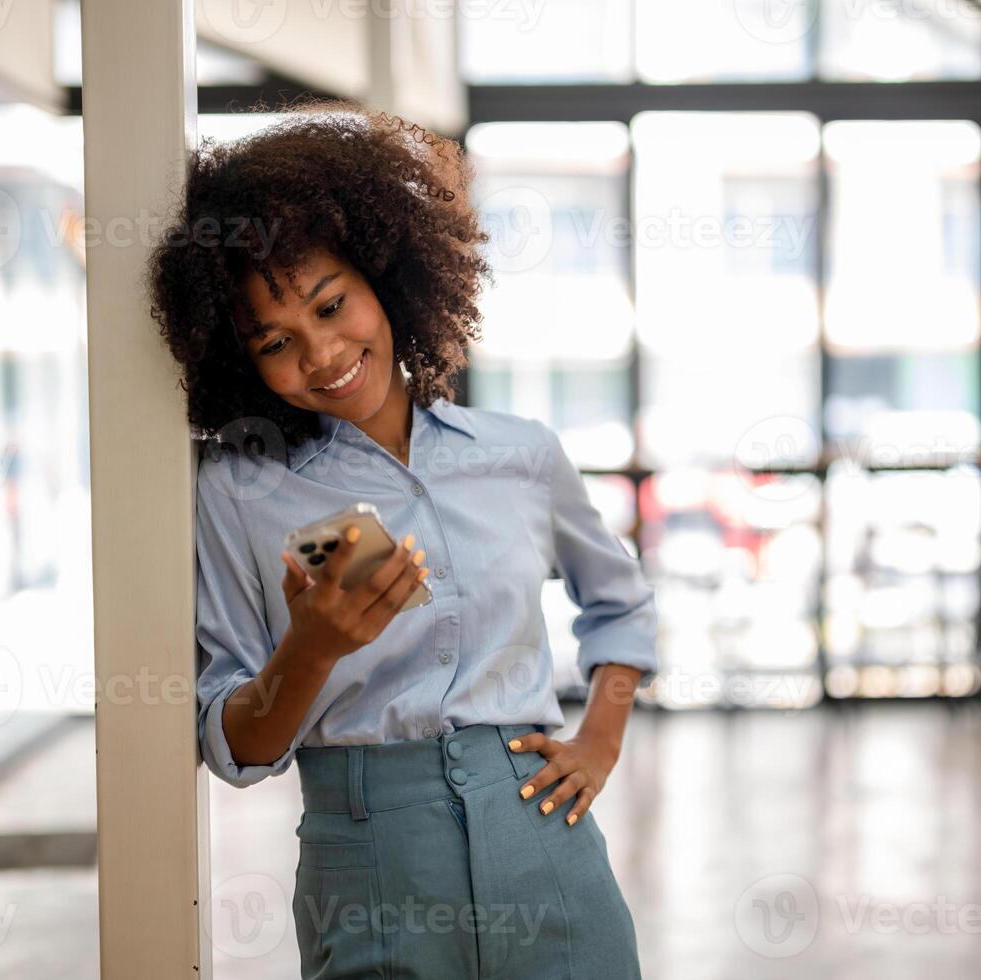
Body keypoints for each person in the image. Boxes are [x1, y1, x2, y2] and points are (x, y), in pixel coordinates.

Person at [146, 99, 656, 979]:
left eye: (332, 304)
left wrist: (599, 738)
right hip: (370, 862)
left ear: (389, 273)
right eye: (275, 340)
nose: (320, 354)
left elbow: (619, 601)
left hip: (543, 836)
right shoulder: (238, 486)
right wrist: (309, 648)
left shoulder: (520, 454)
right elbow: (237, 746)